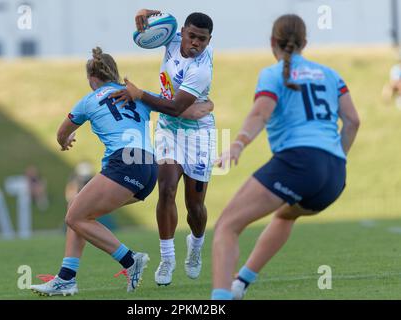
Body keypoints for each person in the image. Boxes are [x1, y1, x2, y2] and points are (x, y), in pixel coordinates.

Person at [29, 46, 213, 296]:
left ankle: (130, 260)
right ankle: (66, 278)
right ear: (114, 74)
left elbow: (62, 133)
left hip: (125, 162)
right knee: (81, 214)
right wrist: (207, 105)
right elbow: (185, 110)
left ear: (92, 78)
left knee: (74, 217)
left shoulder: (89, 100)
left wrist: (66, 140)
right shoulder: (136, 94)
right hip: (149, 167)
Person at [210, 14, 360, 300]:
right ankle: (240, 284)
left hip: (298, 162)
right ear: (305, 43)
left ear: (272, 42)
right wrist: (336, 158)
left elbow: (260, 114)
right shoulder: (331, 74)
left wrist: (238, 144)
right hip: (334, 175)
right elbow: (353, 122)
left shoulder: (272, 73)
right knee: (285, 215)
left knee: (227, 227)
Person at [111, 9, 215, 286]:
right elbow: (152, 25)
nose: (196, 43)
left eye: (202, 40)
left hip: (198, 135)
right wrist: (142, 15)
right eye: (192, 36)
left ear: (208, 40)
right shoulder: (172, 38)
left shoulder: (201, 69)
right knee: (166, 188)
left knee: (195, 206)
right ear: (182, 32)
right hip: (169, 130)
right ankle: (167, 258)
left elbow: (175, 106)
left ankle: (195, 245)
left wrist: (140, 94)